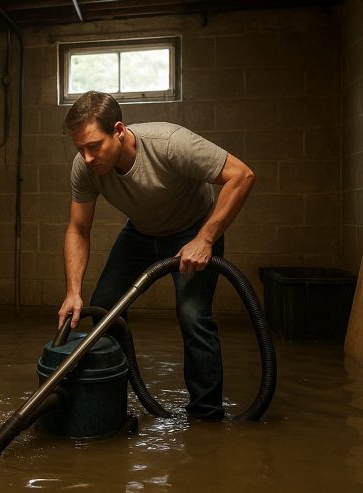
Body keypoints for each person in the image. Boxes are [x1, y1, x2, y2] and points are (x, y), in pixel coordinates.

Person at [57, 91, 255, 421]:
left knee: (193, 316)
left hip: (193, 231)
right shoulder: (85, 168)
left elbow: (242, 175)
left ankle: (206, 417)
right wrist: (73, 292)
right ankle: (110, 404)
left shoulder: (168, 143)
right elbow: (78, 229)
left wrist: (205, 239)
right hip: (140, 233)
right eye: (80, 149)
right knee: (104, 308)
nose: (88, 157)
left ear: (118, 131)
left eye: (94, 146)